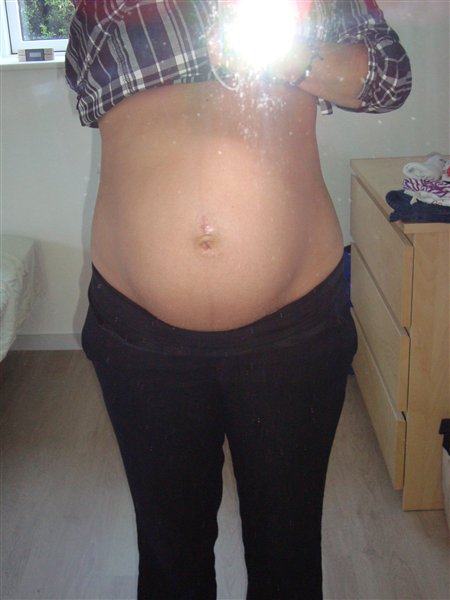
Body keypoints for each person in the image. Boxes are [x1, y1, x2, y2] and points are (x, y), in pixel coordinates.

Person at [66, 1, 411, 598]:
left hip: (295, 329)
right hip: (138, 335)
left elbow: (387, 81)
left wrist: (287, 55)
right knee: (170, 557)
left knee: (287, 553)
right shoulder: (107, 10)